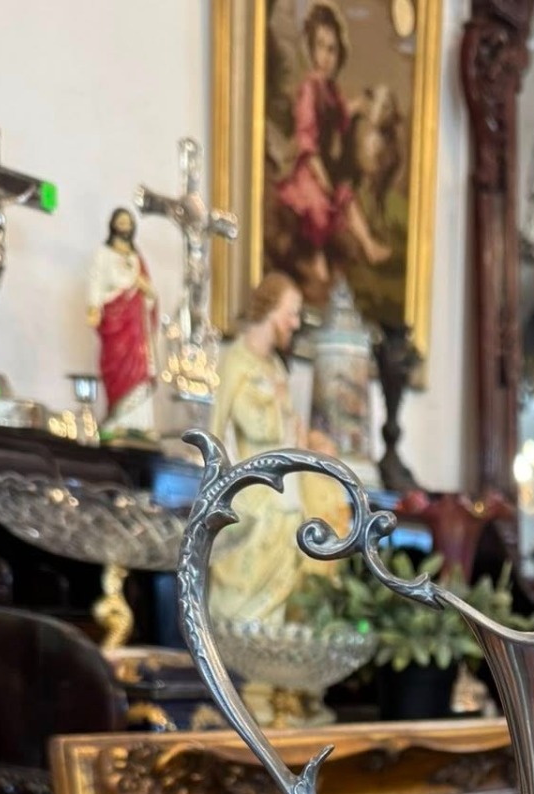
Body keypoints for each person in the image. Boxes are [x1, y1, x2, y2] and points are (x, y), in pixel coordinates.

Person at [209, 271, 348, 632]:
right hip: (252, 489)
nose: (296, 323)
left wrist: (313, 441)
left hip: (284, 491)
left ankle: (269, 646)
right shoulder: (235, 362)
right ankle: (241, 639)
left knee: (313, 516)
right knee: (272, 527)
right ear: (271, 310)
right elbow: (215, 429)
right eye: (292, 313)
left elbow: (290, 433)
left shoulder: (274, 367)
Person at [275, 1, 393, 294]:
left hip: (325, 164)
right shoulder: (309, 88)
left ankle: (369, 245)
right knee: (319, 203)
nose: (326, 57)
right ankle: (317, 261)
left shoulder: (330, 90)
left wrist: (358, 107)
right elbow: (306, 138)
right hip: (308, 167)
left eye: (332, 50)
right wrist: (319, 173)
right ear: (310, 49)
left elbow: (340, 117)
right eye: (320, 47)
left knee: (345, 195)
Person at [87, 208, 158, 439]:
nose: (125, 226)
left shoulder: (137, 258)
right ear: (113, 225)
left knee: (139, 366)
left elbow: (150, 293)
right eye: (121, 222)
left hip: (136, 323)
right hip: (116, 318)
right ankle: (116, 420)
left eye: (128, 222)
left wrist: (147, 291)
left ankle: (140, 424)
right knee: (117, 363)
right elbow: (96, 282)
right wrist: (93, 307)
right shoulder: (104, 254)